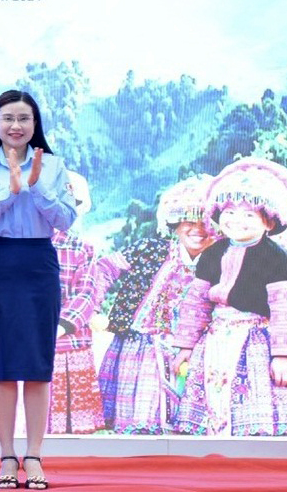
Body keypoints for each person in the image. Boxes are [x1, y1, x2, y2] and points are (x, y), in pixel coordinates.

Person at [0, 90, 76, 490]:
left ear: (35, 124)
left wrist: (34, 186)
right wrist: (9, 190)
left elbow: (65, 219)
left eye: (24, 118)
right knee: (4, 364)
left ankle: (35, 455)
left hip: (39, 264)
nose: (15, 125)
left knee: (37, 365)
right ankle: (7, 456)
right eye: (7, 118)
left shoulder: (55, 165)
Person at [171, 157, 287, 436]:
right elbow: (196, 303)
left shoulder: (275, 257)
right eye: (230, 213)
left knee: (252, 393)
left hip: (255, 339)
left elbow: (283, 308)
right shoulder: (213, 253)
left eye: (249, 215)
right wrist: (185, 345)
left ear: (269, 222)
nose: (237, 221)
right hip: (215, 339)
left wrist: (282, 354)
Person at [97, 174, 214, 434]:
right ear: (175, 223)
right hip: (142, 347)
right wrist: (93, 306)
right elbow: (105, 269)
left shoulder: (223, 259)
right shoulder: (150, 249)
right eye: (188, 220)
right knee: (140, 426)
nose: (197, 228)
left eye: (205, 221)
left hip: (199, 350)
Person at [48, 172, 108, 435]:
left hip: (67, 342)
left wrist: (60, 325)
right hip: (27, 339)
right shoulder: (18, 243)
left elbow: (86, 292)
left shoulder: (81, 248)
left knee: (73, 422)